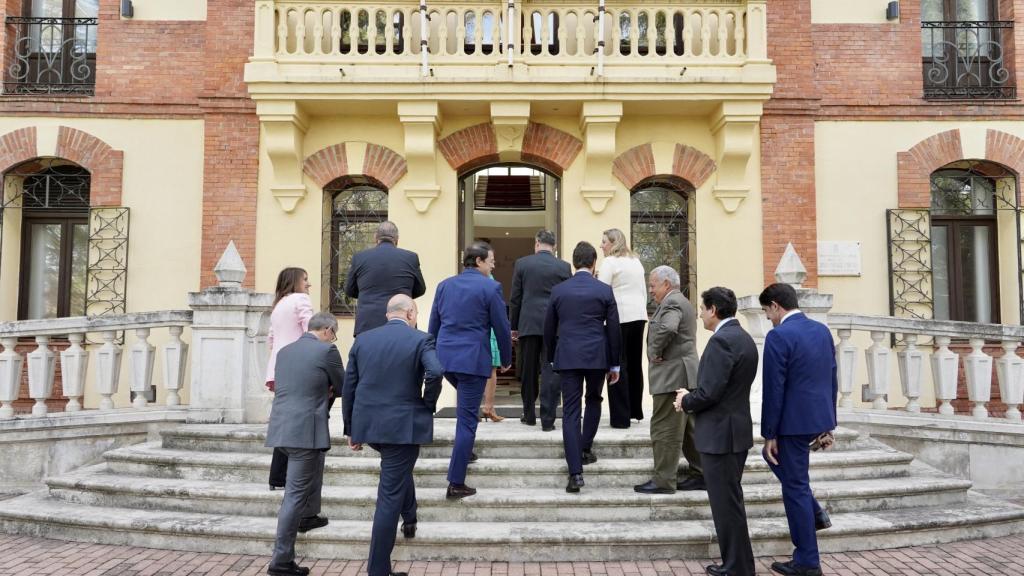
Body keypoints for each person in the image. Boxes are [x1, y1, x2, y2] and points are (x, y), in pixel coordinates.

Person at [342, 295, 443, 576]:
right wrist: (427, 404)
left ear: (389, 314)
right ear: (410, 313)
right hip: (402, 426)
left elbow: (350, 385)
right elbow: (436, 372)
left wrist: (351, 427)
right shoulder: (421, 339)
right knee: (388, 497)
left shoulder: (363, 340)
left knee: (397, 470)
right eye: (416, 313)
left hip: (371, 426)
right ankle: (377, 570)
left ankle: (409, 516)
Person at [675, 287, 757, 576]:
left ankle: (737, 566)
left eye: (702, 308)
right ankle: (740, 563)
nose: (700, 313)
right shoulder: (743, 337)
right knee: (731, 501)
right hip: (735, 432)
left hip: (721, 436)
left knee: (725, 504)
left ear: (713, 310)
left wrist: (686, 399)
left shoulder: (721, 341)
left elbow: (710, 392)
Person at [759, 282, 837, 576]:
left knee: (795, 488)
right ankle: (814, 511)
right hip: (816, 418)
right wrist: (828, 424)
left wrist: (770, 433)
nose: (768, 318)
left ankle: (807, 561)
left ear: (775, 306)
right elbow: (832, 377)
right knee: (794, 481)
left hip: (792, 424)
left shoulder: (778, 335)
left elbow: (774, 388)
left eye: (767, 311)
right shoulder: (822, 330)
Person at [428, 241, 512, 500]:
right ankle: (456, 483)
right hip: (472, 361)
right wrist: (506, 358)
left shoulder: (444, 285)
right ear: (478, 261)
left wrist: (430, 357)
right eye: (491, 261)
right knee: (466, 420)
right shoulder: (491, 287)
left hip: (445, 360)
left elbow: (433, 325)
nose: (493, 266)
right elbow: (501, 326)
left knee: (467, 408)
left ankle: (464, 451)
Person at [266, 312, 345, 576]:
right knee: (294, 495)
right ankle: (281, 561)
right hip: (305, 431)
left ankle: (310, 514)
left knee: (309, 473)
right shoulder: (327, 351)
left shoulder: (285, 352)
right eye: (334, 334)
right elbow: (343, 386)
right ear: (327, 330)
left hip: (281, 427)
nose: (333, 339)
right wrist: (328, 389)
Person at [544, 241, 621, 493]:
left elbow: (548, 327)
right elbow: (614, 329)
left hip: (568, 355)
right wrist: (615, 363)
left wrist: (551, 356)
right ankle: (585, 448)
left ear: (574, 262)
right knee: (594, 400)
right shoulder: (604, 290)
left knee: (570, 411)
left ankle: (575, 473)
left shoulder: (559, 290)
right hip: (597, 356)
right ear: (594, 263)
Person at [633, 266, 701, 495]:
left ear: (666, 284)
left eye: (653, 285)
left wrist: (654, 350)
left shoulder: (672, 302)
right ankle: (702, 474)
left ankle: (663, 481)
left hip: (673, 376)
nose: (650, 290)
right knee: (690, 430)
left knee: (665, 429)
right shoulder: (681, 301)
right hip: (685, 374)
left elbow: (669, 327)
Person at [510, 229, 571, 430]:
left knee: (528, 370)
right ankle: (548, 419)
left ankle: (528, 415)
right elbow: (567, 297)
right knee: (550, 370)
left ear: (537, 243)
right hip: (555, 325)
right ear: (554, 246)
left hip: (528, 324)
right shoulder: (563, 267)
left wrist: (514, 326)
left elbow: (515, 298)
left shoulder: (522, 264)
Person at [265, 267, 315, 492]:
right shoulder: (301, 300)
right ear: (295, 281)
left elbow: (271, 339)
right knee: (298, 420)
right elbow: (310, 330)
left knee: (284, 419)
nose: (308, 284)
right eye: (305, 279)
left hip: (278, 367)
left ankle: (277, 475)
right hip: (298, 365)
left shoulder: (278, 305)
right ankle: (288, 474)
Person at [597, 228, 648, 428]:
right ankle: (635, 409)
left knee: (617, 364)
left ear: (613, 243)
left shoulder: (610, 262)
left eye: (604, 242)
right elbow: (643, 291)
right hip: (639, 317)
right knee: (634, 364)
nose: (601, 246)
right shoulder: (636, 261)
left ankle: (620, 417)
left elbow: (602, 292)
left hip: (619, 318)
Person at [345, 220, 427, 337]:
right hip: (401, 322)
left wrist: (367, 293)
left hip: (368, 324)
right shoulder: (410, 257)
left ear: (375, 237)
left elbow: (349, 290)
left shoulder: (359, 258)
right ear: (397, 239)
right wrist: (402, 297)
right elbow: (421, 289)